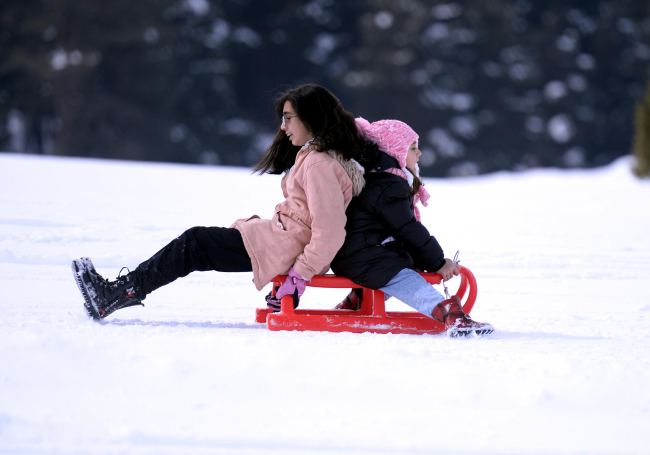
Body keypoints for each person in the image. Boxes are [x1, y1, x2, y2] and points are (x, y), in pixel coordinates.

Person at [72, 84, 369, 320]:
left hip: (287, 247)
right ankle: (120, 292)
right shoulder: (318, 158)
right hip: (283, 240)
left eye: (288, 118)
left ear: (311, 117)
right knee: (197, 244)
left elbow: (329, 233)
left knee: (196, 242)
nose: (282, 126)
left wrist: (299, 276)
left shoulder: (319, 164)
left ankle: (118, 294)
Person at [330, 118, 494, 337]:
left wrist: (426, 260)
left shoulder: (380, 178)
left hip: (360, 253)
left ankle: (357, 300)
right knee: (399, 275)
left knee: (404, 263)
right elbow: (407, 228)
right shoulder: (387, 184)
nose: (419, 154)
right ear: (394, 151)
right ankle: (447, 312)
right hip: (364, 256)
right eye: (413, 148)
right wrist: (437, 262)